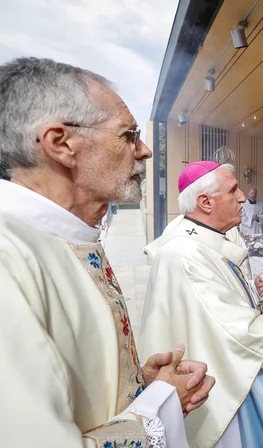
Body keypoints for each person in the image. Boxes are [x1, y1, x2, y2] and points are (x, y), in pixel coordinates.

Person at [0, 57, 214, 446]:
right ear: (62, 143)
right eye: (129, 135)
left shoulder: (67, 235)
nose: (145, 151)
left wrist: (138, 386)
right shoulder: (7, 256)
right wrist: (160, 408)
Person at [140, 162, 263, 447]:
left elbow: (215, 305)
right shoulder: (184, 255)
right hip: (220, 384)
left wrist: (253, 290)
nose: (243, 197)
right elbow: (238, 334)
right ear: (205, 202)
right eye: (233, 190)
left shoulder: (204, 241)